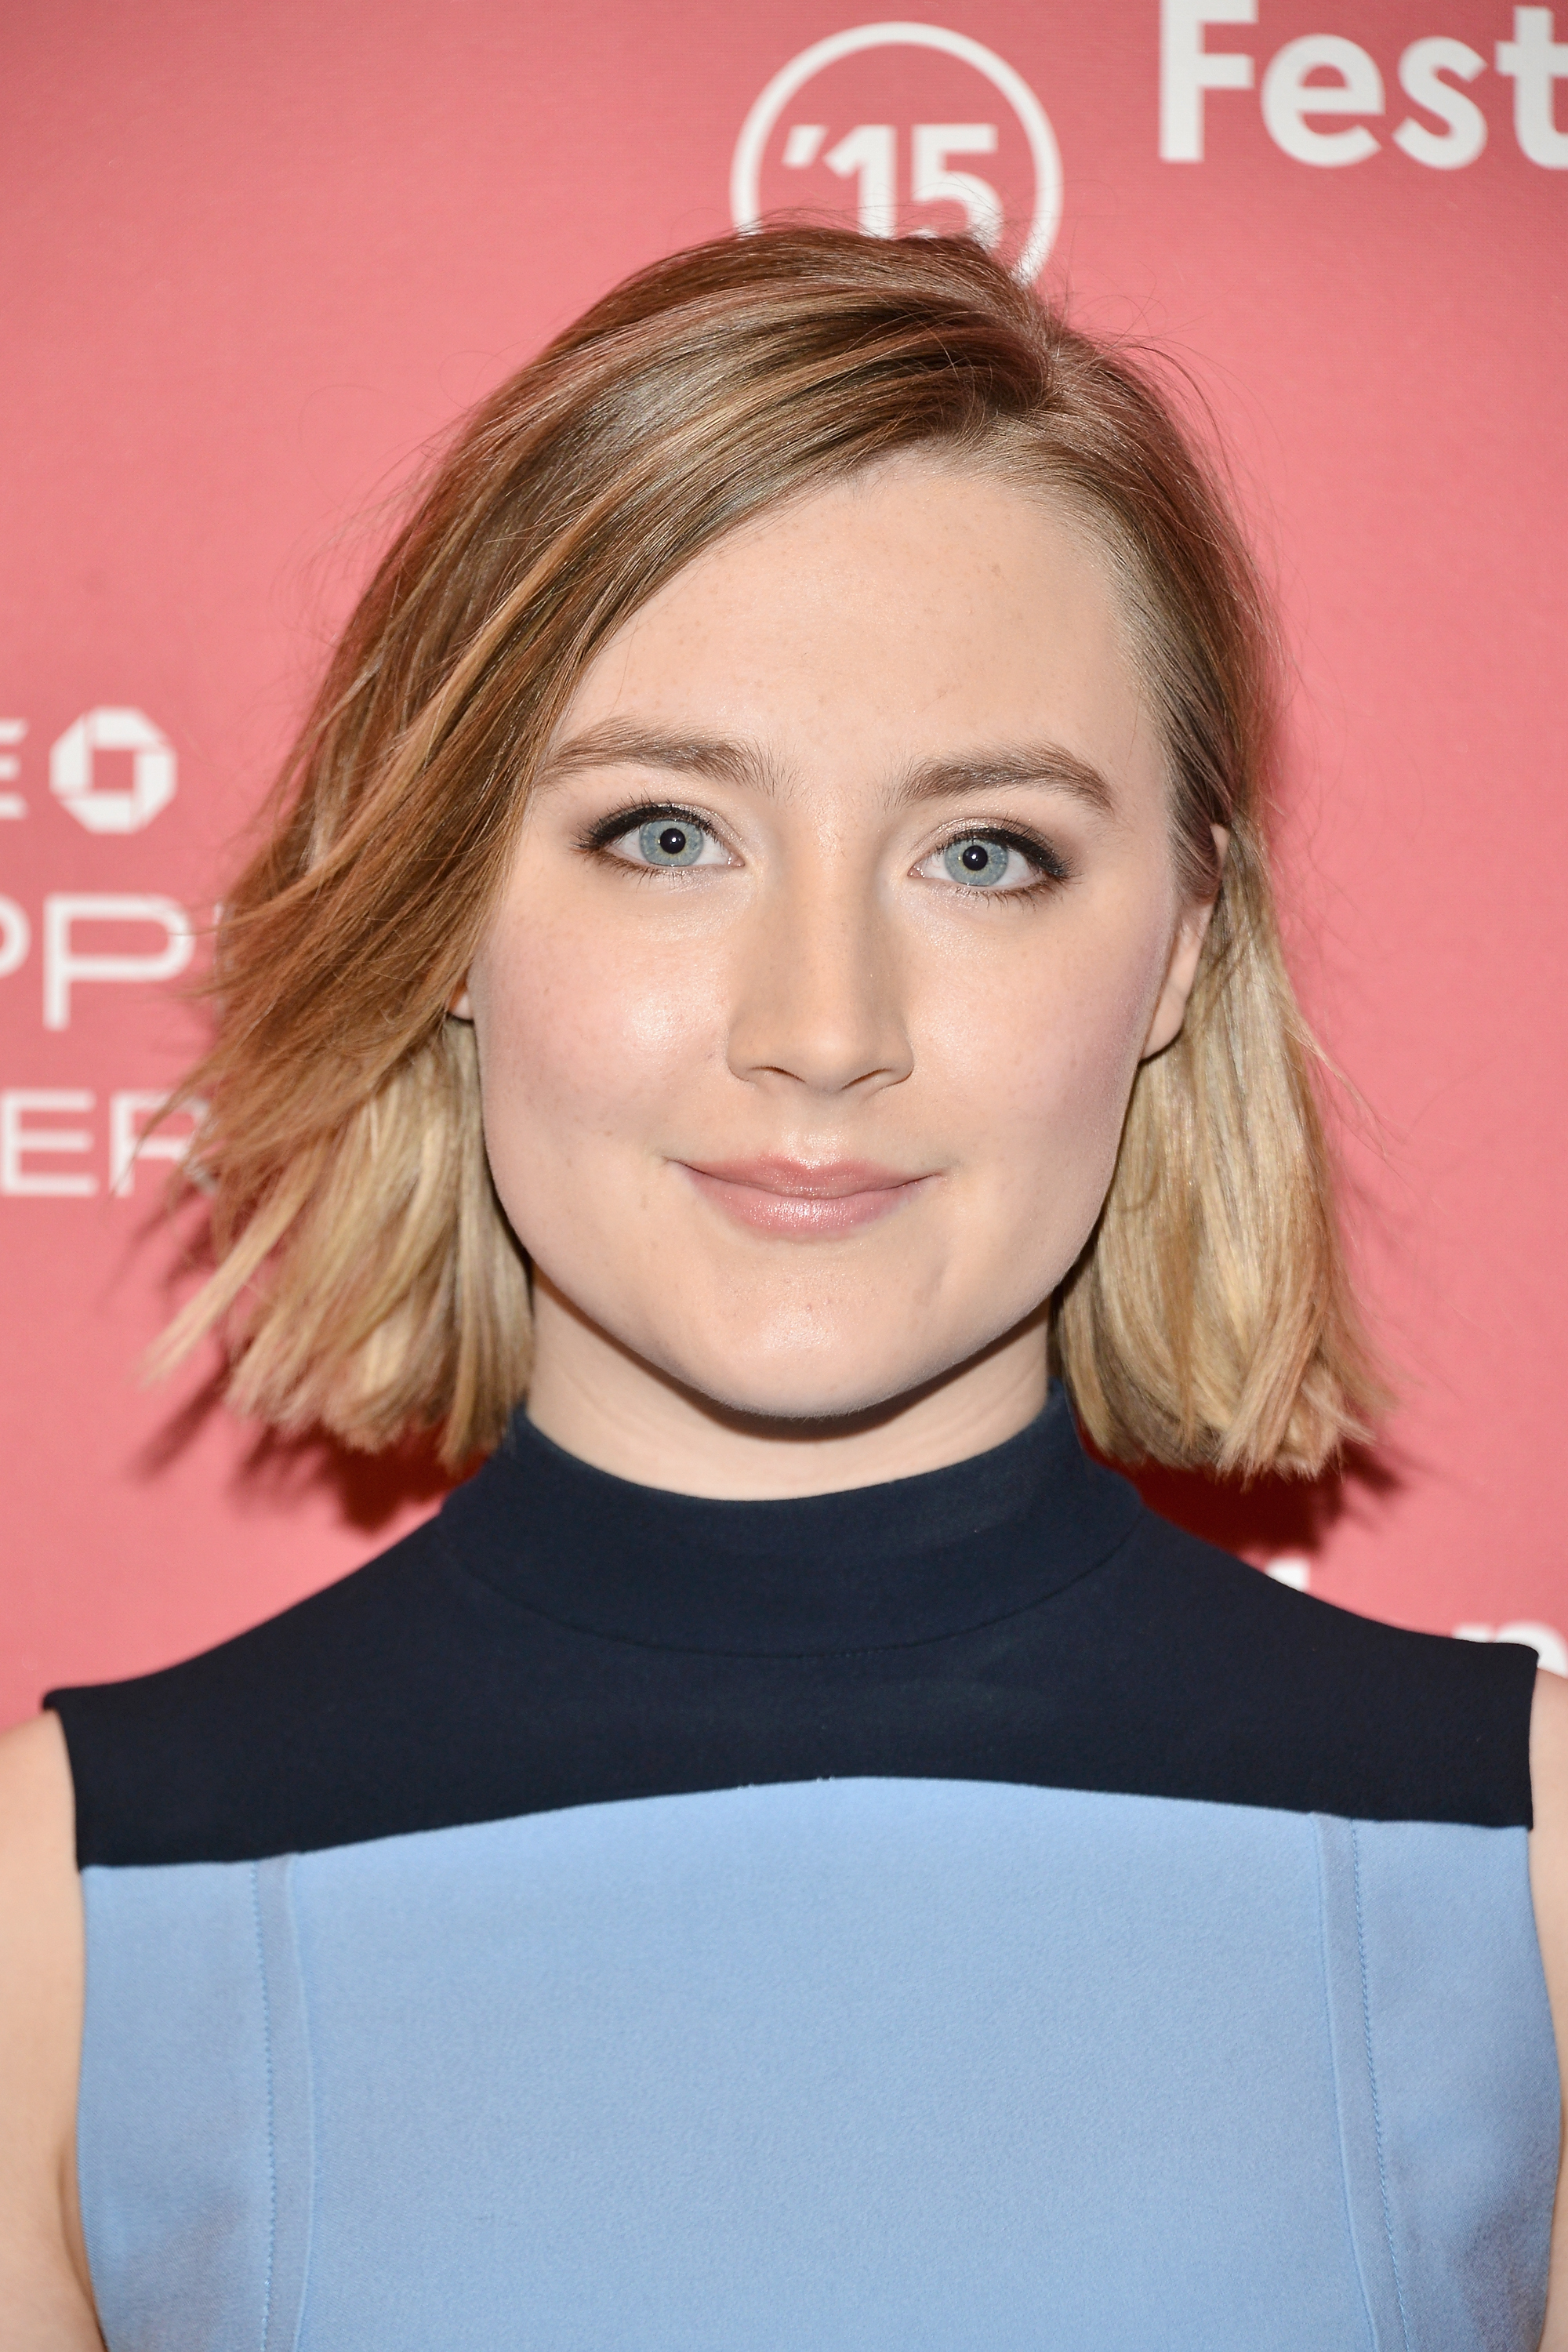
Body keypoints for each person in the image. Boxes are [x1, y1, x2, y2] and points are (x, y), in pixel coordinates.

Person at [2, 225, 1565, 2351]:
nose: (822, 1028)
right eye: (666, 834)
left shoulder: (1528, 1880)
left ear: (1179, 955)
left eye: (985, 853)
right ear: (444, 905)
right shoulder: (69, 1924)